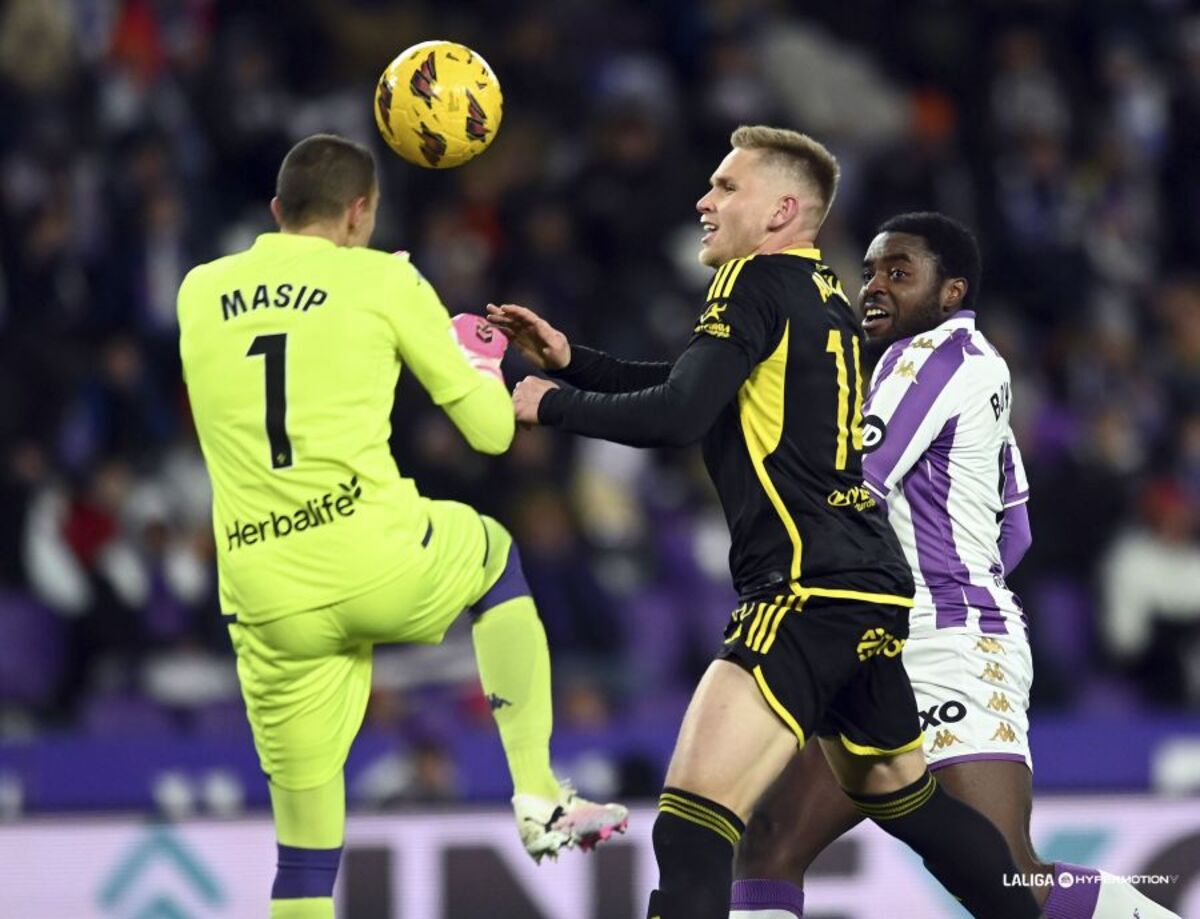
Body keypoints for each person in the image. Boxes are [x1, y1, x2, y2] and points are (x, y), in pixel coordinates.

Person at [489, 126, 1040, 919]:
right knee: (908, 799)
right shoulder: (820, 296)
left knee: (690, 826)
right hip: (870, 588)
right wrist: (573, 359)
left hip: (804, 587)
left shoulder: (749, 283)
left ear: (782, 209)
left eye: (725, 187)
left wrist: (554, 405)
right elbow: (702, 389)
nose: (704, 202)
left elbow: (681, 414)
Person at [176, 134, 626, 919]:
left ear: (279, 211)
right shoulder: (386, 278)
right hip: (373, 554)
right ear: (363, 212)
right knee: (493, 554)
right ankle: (539, 795)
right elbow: (490, 433)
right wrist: (474, 356)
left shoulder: (196, 288)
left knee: (306, 854)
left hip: (265, 591)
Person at [729, 212, 1180, 918]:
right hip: (901, 639)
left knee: (1008, 880)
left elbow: (853, 486)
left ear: (951, 291)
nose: (874, 286)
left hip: (944, 645)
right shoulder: (977, 370)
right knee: (774, 838)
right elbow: (1016, 527)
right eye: (871, 270)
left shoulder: (928, 361)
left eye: (899, 272)